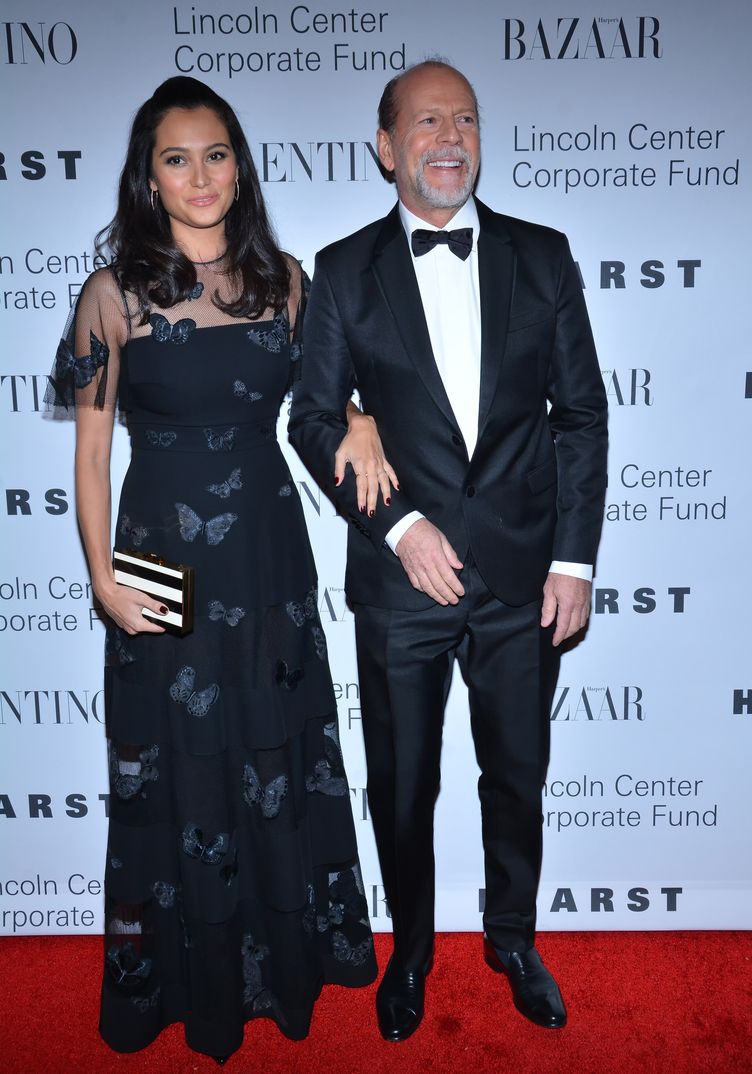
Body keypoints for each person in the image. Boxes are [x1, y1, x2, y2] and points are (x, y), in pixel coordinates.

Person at [48, 76, 389, 1063]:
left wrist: (361, 417)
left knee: (275, 746)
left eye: (216, 155)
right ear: (148, 178)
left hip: (267, 549)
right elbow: (91, 455)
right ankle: (189, 988)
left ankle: (284, 970)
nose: (199, 177)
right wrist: (103, 578)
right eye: (176, 159)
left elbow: (324, 401)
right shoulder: (113, 294)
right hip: (159, 549)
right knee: (177, 759)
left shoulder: (285, 281)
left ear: (239, 167)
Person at [289, 60, 608, 1042]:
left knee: (517, 776)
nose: (449, 137)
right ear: (386, 148)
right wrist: (397, 526)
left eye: (463, 119)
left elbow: (580, 417)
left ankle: (513, 941)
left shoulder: (542, 256)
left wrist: (573, 561)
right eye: (426, 121)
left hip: (523, 581)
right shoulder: (342, 269)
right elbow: (312, 420)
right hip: (400, 586)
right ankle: (412, 954)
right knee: (402, 785)